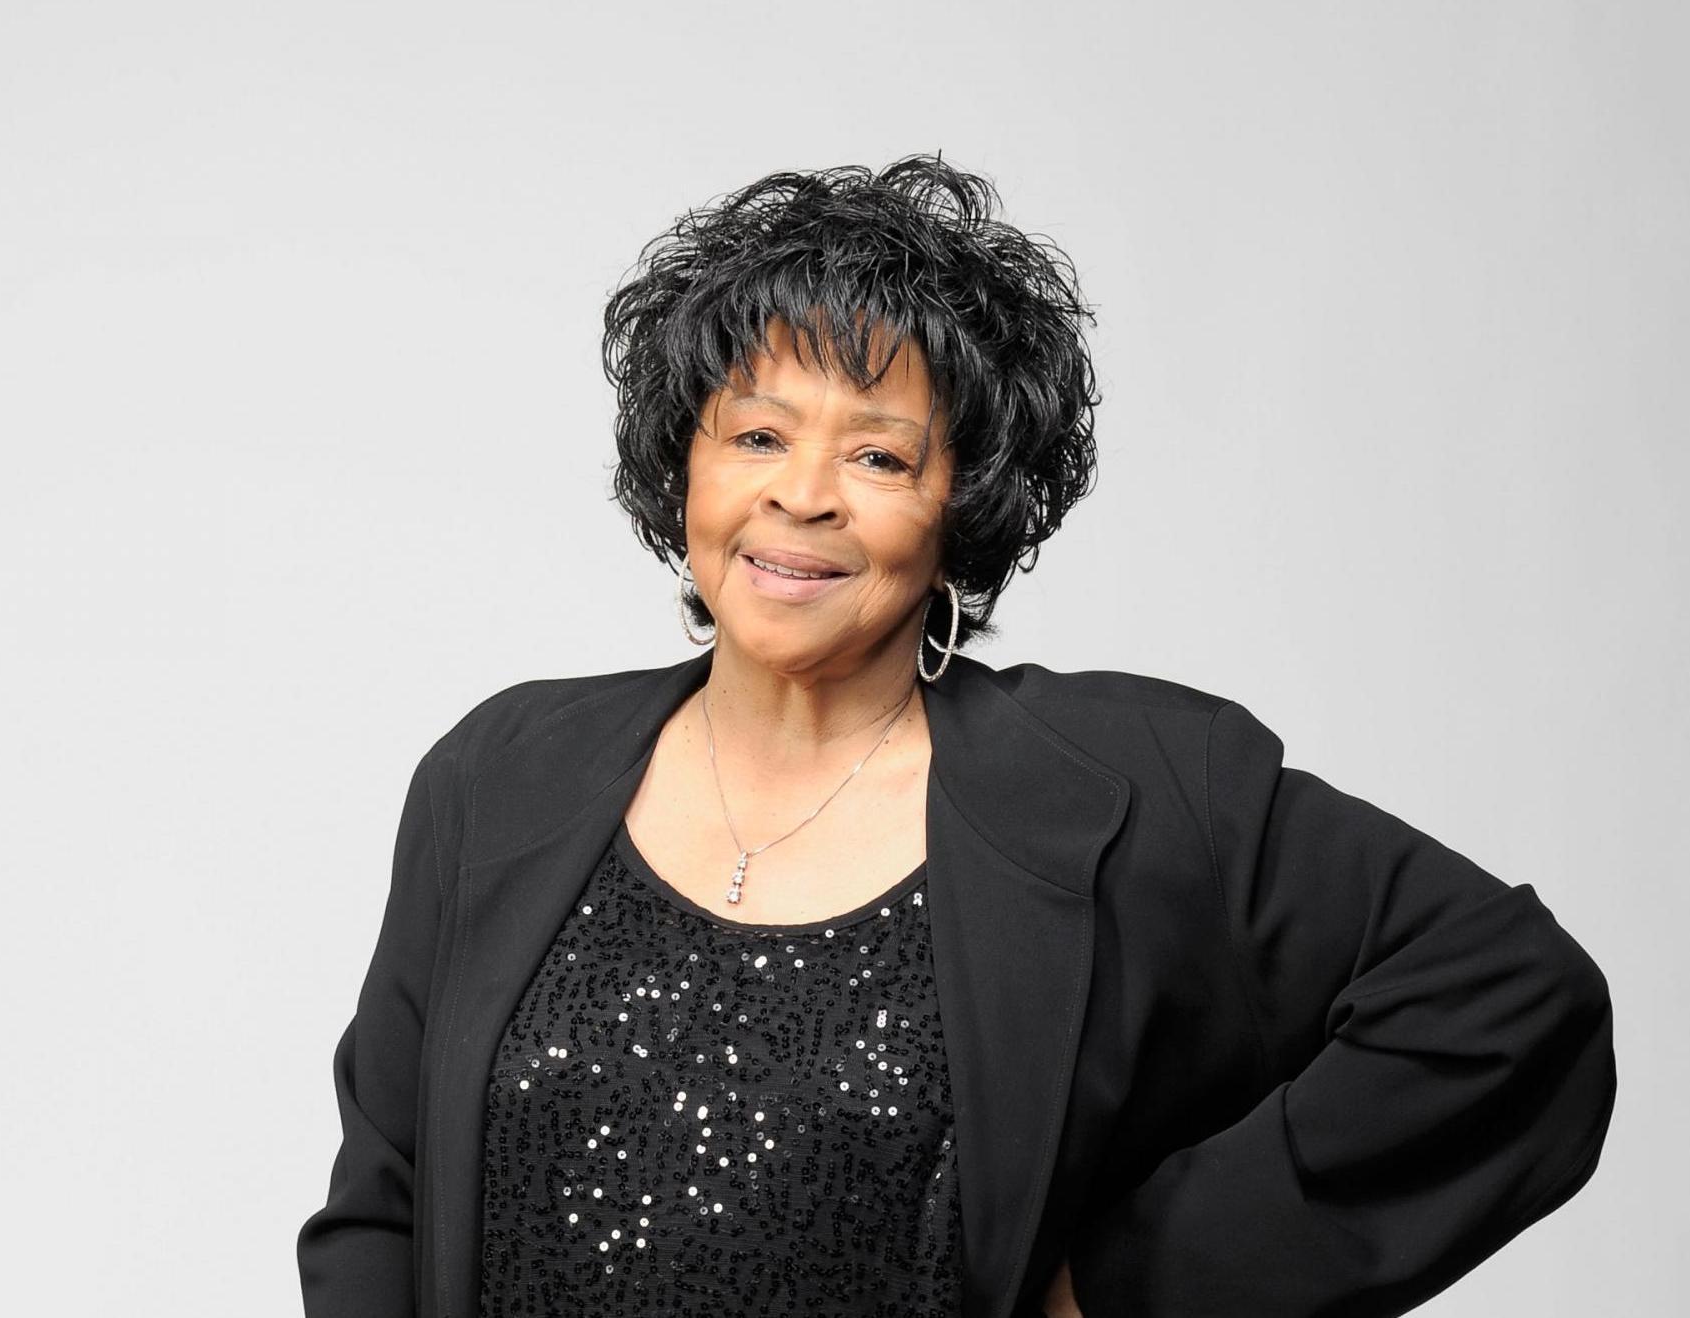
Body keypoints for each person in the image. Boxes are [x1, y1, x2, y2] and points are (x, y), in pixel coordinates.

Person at [296, 155, 1617, 1318]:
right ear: (682, 468)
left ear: (961, 510)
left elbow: (1505, 1006)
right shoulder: (502, 770)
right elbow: (383, 1207)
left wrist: (1136, 1283)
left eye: (877, 456)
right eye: (755, 433)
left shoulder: (1124, 784)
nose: (799, 495)